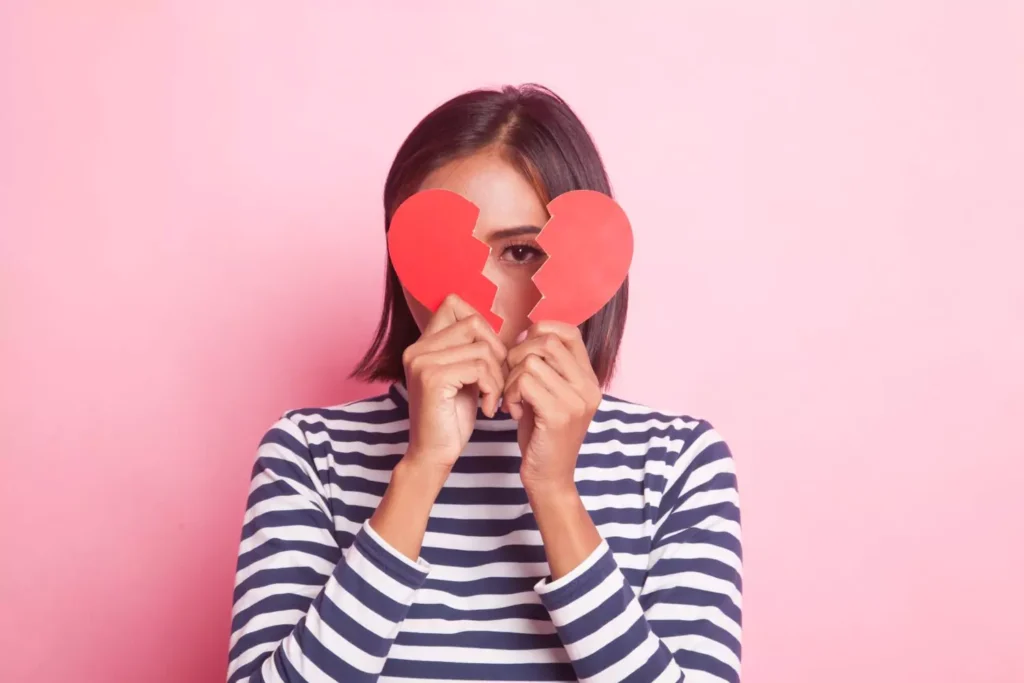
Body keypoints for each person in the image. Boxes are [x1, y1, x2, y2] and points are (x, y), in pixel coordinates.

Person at [227, 84, 742, 683]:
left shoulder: (678, 463)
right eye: (443, 252)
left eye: (520, 252)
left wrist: (555, 492)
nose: (484, 299)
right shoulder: (310, 454)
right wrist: (421, 469)